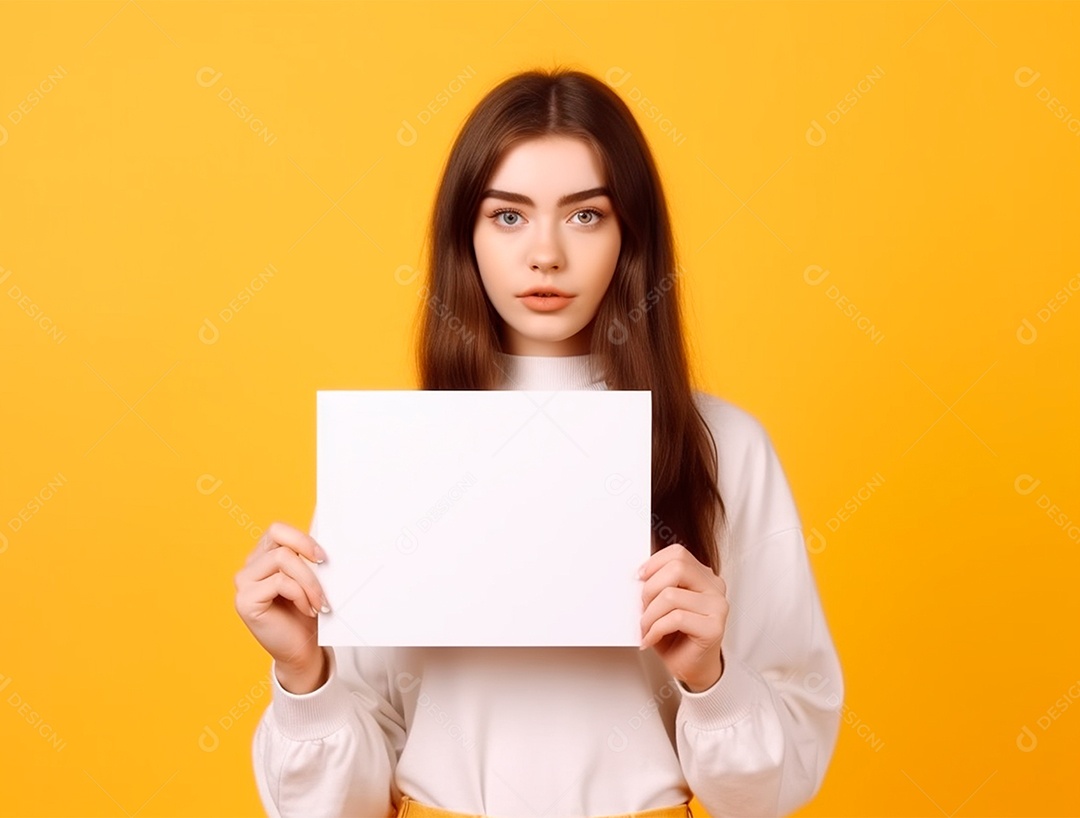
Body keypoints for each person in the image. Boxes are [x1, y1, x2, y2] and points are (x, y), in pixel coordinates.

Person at [234, 67, 844, 818]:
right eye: (509, 216)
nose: (546, 254)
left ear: (632, 235)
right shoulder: (398, 456)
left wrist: (710, 680)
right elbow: (341, 806)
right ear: (467, 235)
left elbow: (774, 791)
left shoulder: (723, 445)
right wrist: (305, 673)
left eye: (586, 215)